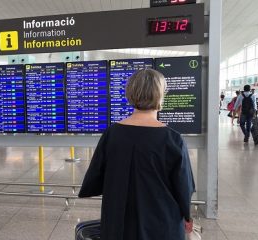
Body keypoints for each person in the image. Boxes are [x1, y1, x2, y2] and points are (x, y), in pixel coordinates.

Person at [79, 69, 195, 240]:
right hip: (161, 223)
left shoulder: (112, 134)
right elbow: (183, 186)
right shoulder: (173, 139)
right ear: (160, 95)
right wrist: (187, 215)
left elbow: (96, 176)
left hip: (118, 222)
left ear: (130, 93)